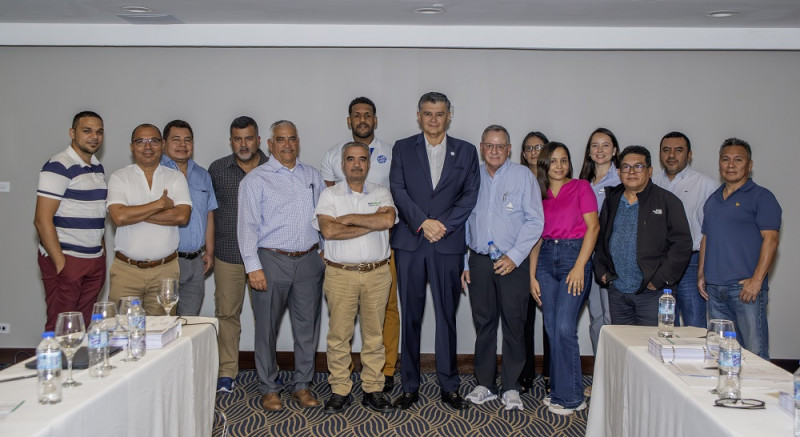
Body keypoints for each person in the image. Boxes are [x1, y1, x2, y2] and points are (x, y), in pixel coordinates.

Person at [390, 92, 479, 410]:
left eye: (439, 113)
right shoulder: (402, 148)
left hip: (447, 244)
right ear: (418, 115)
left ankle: (449, 385)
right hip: (411, 243)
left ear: (449, 115)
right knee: (410, 318)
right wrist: (422, 222)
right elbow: (397, 189)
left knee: (446, 318)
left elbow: (470, 196)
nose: (433, 119)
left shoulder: (466, 151)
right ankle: (410, 386)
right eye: (427, 113)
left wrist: (441, 225)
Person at [238, 120, 325, 412]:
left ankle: (302, 385)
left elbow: (323, 218)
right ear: (270, 145)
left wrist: (323, 252)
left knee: (307, 329)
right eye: (280, 139)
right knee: (266, 329)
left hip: (309, 261)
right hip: (270, 261)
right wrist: (253, 267)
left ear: (298, 142)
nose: (287, 144)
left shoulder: (313, 175)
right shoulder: (256, 180)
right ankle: (269, 388)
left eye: (292, 138)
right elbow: (247, 227)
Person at [319, 97, 399, 392]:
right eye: (351, 159)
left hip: (377, 272)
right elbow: (328, 229)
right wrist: (368, 221)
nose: (357, 164)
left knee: (374, 335)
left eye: (362, 159)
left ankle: (374, 388)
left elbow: (387, 221)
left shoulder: (381, 192)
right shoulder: (330, 196)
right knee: (339, 336)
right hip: (340, 273)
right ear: (342, 164)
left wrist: (348, 220)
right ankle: (340, 389)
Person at [461, 125, 544, 411]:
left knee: (514, 325)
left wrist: (515, 256)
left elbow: (536, 221)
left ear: (509, 149)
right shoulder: (472, 177)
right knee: (484, 325)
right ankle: (485, 384)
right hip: (480, 261)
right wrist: (464, 260)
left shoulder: (522, 176)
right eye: (489, 145)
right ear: (482, 147)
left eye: (501, 146)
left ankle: (511, 387)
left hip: (513, 262)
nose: (495, 151)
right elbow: (462, 220)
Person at [529, 142, 599, 416]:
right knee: (551, 328)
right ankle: (558, 392)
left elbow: (593, 228)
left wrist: (580, 265)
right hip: (546, 257)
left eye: (564, 160)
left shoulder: (581, 187)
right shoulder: (539, 192)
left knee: (565, 328)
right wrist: (532, 275)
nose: (559, 166)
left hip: (574, 256)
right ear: (544, 164)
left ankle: (572, 398)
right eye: (554, 161)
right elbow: (535, 237)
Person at [698, 138, 781, 360]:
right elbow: (707, 237)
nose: (731, 165)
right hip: (715, 290)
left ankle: (758, 395)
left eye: (738, 160)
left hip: (745, 289)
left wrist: (756, 280)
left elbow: (771, 240)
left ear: (749, 165)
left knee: (754, 354)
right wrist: (701, 273)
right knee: (721, 354)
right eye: (725, 159)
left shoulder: (762, 197)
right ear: (719, 163)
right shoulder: (713, 199)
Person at [594, 145, 692, 327]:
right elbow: (600, 240)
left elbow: (682, 245)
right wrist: (603, 273)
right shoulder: (612, 200)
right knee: (623, 348)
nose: (631, 172)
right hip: (618, 291)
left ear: (650, 171)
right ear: (619, 171)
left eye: (638, 166)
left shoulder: (667, 201)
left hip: (652, 292)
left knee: (652, 348)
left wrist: (658, 280)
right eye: (626, 167)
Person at [208, 116, 269, 393]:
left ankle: (268, 372)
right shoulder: (218, 170)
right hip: (228, 255)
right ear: (231, 141)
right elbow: (209, 213)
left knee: (266, 316)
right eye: (237, 138)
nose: (243, 144)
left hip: (265, 258)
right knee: (227, 315)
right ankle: (227, 371)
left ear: (258, 139)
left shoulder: (274, 168)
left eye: (248, 138)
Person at [106, 124, 192, 315]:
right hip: (126, 271)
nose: (147, 146)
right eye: (140, 141)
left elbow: (181, 215)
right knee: (121, 334)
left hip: (166, 271)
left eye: (153, 141)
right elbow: (119, 217)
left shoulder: (176, 178)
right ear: (131, 147)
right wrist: (160, 204)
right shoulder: (119, 177)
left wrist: (135, 212)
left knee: (163, 337)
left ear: (162, 144)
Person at [35, 111, 107, 331]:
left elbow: (97, 214)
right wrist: (60, 263)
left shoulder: (97, 167)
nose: (94, 136)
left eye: (99, 131)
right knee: (61, 328)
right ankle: (53, 366)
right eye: (87, 131)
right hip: (67, 259)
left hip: (93, 260)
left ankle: (78, 367)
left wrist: (101, 256)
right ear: (72, 133)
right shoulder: (58, 165)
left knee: (83, 327)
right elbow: (41, 220)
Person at [652, 131, 717, 328]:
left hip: (691, 263)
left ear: (689, 154)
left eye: (678, 150)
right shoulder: (651, 182)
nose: (671, 155)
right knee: (665, 326)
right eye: (666, 150)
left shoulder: (706, 184)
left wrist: (703, 269)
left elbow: (711, 230)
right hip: (659, 265)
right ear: (660, 154)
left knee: (694, 326)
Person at [160, 120, 218, 316]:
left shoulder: (202, 175)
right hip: (166, 261)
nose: (182, 145)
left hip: (196, 261)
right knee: (164, 322)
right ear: (163, 143)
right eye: (176, 140)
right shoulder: (156, 174)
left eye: (187, 140)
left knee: (189, 323)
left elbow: (209, 213)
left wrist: (209, 251)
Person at [578, 128, 621, 354]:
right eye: (595, 145)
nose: (600, 150)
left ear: (614, 150)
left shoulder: (623, 179)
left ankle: (617, 380)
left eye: (605, 145)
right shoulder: (582, 183)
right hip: (587, 256)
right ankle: (599, 376)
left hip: (612, 258)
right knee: (596, 317)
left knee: (612, 317)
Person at [517, 131, 551, 394]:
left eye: (538, 147)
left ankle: (551, 373)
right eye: (528, 148)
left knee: (551, 319)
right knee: (524, 320)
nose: (533, 152)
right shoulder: (517, 178)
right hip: (523, 254)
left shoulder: (556, 179)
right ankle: (525, 373)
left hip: (551, 255)